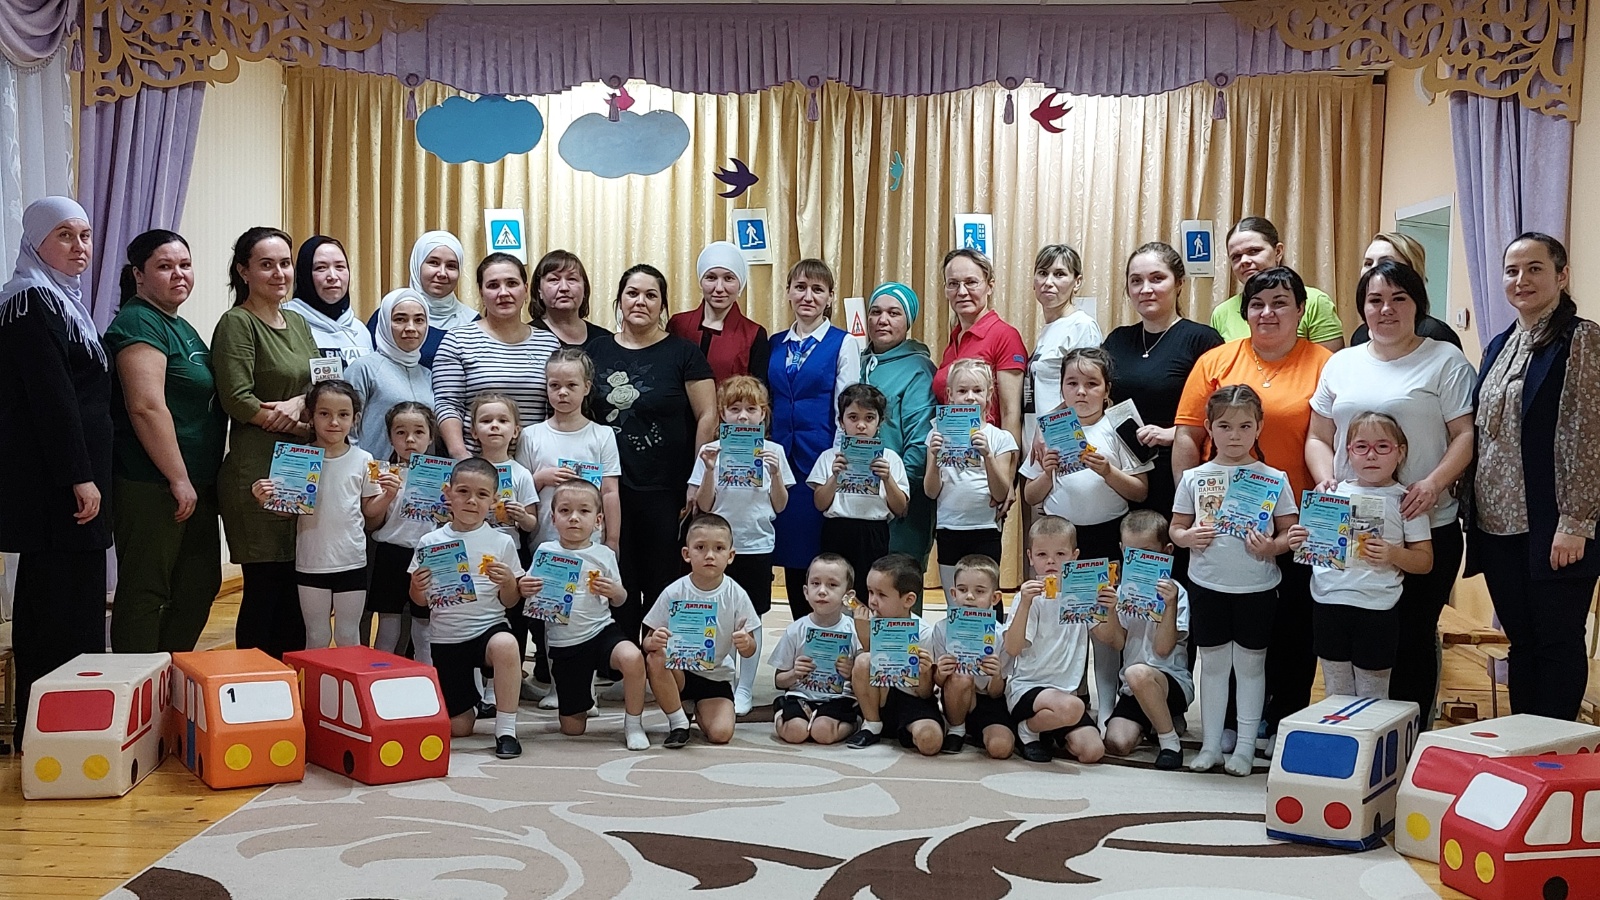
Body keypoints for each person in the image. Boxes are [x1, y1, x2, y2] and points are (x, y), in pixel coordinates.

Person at [1306, 260, 1474, 721]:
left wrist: (1433, 483)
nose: (1386, 309)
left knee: (1411, 639)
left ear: (1418, 304)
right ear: (1362, 308)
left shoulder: (1445, 360)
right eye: (1375, 300)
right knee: (1345, 641)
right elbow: (1318, 436)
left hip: (1423, 522)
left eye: (1399, 298)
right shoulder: (1342, 363)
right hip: (1346, 531)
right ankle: (1351, 735)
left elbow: (1465, 434)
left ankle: (1406, 742)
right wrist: (1325, 480)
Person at [1173, 266, 1332, 738]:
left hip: (1299, 521)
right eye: (1257, 304)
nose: (1268, 313)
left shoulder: (1326, 364)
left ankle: (1283, 721)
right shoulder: (1216, 361)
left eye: (1280, 303)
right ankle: (1227, 725)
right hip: (1223, 527)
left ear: (1300, 310)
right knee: (1225, 629)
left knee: (1294, 629)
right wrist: (1190, 505)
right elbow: (1188, 437)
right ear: (1244, 312)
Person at [1464, 232, 1600, 721]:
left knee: (1557, 643)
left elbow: (1589, 434)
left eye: (1535, 268)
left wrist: (1576, 521)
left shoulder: (1581, 339)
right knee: (1520, 642)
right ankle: (1523, 744)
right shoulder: (1501, 343)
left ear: (1562, 276)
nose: (1521, 279)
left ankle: (1554, 749)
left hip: (1555, 525)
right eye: (1512, 271)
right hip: (1498, 526)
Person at [0, 197, 111, 750]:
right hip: (57, 488)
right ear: (36, 242)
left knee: (75, 605)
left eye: (85, 235)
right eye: (65, 235)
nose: (79, 247)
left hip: (75, 480)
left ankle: (75, 723)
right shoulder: (29, 301)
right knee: (55, 611)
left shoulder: (64, 301)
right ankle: (48, 729)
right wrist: (78, 475)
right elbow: (52, 399)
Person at [104, 228, 226, 653]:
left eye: (185, 265)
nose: (179, 274)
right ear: (139, 274)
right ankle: (138, 683)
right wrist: (178, 478)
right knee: (147, 590)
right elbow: (145, 406)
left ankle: (171, 672)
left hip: (195, 482)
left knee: (198, 584)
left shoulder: (180, 325)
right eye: (165, 266)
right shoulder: (138, 321)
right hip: (152, 483)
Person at [1170, 385, 1298, 775]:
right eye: (1225, 426)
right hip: (1207, 584)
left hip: (1256, 587)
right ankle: (1211, 745)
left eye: (1245, 426)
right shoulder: (1194, 478)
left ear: (1259, 428)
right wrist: (1188, 538)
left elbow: (1290, 533)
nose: (1235, 436)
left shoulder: (1274, 478)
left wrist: (1271, 547)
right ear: (1209, 428)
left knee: (1250, 666)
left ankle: (1243, 747)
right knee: (1212, 665)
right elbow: (1176, 528)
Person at [587, 264, 717, 641]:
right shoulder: (596, 351)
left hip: (666, 488)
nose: (640, 301)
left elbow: (707, 416)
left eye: (650, 295)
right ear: (619, 300)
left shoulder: (683, 353)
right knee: (618, 575)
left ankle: (660, 658)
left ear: (662, 305)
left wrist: (697, 479)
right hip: (609, 486)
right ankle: (623, 658)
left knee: (663, 578)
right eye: (632, 293)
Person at [213, 227, 318, 658]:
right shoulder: (237, 323)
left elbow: (322, 384)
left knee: (296, 590)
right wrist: (301, 426)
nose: (279, 273)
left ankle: (290, 685)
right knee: (264, 589)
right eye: (266, 264)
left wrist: (300, 404)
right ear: (244, 271)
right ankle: (254, 684)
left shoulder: (298, 321)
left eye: (285, 263)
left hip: (302, 470)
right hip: (257, 471)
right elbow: (238, 400)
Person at [1291, 413, 1434, 700]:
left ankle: (1369, 733)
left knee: (1373, 694)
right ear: (1348, 452)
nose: (1371, 455)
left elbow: (1424, 561)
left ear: (1400, 452)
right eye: (1361, 447)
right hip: (1329, 603)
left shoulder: (1406, 500)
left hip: (1376, 608)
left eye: (1382, 446)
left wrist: (1393, 553)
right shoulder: (1331, 494)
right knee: (1336, 691)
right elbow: (1309, 543)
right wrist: (1297, 539)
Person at [408, 457, 534, 758]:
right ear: (448, 493)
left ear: (494, 500)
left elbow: (510, 601)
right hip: (447, 638)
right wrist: (417, 586)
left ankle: (506, 729)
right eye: (463, 491)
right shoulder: (429, 541)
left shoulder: (502, 542)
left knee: (506, 645)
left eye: (482, 494)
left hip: (488, 629)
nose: (472, 501)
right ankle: (474, 700)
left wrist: (509, 583)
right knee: (460, 728)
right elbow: (419, 602)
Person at [688, 375, 796, 714]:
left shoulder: (774, 451)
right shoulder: (711, 451)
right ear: (722, 413)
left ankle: (745, 687)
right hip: (716, 547)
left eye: (752, 409)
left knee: (752, 617)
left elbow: (780, 505)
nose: (743, 416)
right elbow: (704, 505)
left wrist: (775, 475)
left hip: (756, 544)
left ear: (764, 414)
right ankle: (720, 679)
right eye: (735, 409)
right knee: (716, 613)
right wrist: (708, 470)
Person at [252, 380, 387, 649]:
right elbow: (287, 512)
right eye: (324, 413)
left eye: (343, 414)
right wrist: (265, 499)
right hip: (311, 561)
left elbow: (369, 511)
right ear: (311, 417)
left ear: (355, 418)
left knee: (348, 636)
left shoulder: (364, 459)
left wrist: (389, 496)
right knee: (316, 636)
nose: (334, 422)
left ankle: (347, 680)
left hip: (351, 561)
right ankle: (316, 680)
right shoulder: (298, 459)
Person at [1100, 242, 1224, 514]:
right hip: (1122, 473)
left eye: (1157, 278)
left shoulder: (1203, 340)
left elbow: (1224, 414)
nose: (1145, 289)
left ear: (1179, 283)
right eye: (1136, 281)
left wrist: (1174, 434)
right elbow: (1088, 394)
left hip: (1177, 470)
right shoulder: (1117, 340)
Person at [528, 478, 651, 749]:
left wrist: (614, 590)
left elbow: (621, 599)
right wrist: (525, 587)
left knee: (632, 658)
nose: (574, 518)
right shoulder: (545, 552)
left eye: (583, 511)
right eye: (565, 511)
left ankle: (634, 724)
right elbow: (530, 592)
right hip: (565, 644)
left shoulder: (604, 554)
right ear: (553, 518)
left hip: (601, 631)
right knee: (573, 729)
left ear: (598, 520)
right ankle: (582, 700)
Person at [770, 259, 856, 610]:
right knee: (791, 553)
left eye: (818, 289)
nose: (808, 296)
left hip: (819, 458)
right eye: (800, 287)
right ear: (788, 292)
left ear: (830, 297)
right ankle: (800, 628)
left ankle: (826, 628)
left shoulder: (843, 342)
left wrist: (836, 460)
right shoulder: (775, 343)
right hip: (780, 460)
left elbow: (847, 404)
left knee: (818, 552)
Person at [643, 513, 762, 747]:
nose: (709, 555)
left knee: (720, 734)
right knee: (656, 658)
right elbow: (647, 642)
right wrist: (653, 641)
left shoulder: (737, 595)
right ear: (686, 554)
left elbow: (750, 650)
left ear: (730, 556)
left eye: (719, 548)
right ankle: (679, 722)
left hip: (716, 677)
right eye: (700, 547)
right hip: (679, 673)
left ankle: (694, 707)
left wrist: (746, 644)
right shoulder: (674, 592)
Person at [432, 253, 562, 458]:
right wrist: (461, 456)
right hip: (476, 464)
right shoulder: (457, 340)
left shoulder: (549, 343)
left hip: (535, 463)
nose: (503, 293)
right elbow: (448, 404)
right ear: (481, 293)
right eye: (493, 285)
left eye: (512, 283)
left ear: (526, 289)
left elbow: (556, 406)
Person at [1093, 510, 1192, 770]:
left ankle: (1170, 741)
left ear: (1166, 551)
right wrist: (1110, 610)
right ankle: (1157, 721)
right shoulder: (1123, 592)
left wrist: (1169, 606)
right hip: (1133, 687)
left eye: (1147, 552)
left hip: (1170, 681)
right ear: (1122, 550)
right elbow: (1117, 642)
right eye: (1131, 553)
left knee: (1137, 673)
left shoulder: (1177, 593)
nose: (1139, 560)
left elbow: (1162, 649)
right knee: (1116, 742)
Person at [1005, 516, 1105, 764]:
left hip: (1065, 693)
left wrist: (1108, 608)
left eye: (1060, 554)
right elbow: (1012, 648)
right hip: (1028, 688)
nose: (1051, 561)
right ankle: (1027, 730)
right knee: (1073, 707)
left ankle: (1049, 730)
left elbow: (1112, 639)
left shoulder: (1083, 594)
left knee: (1093, 751)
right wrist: (1024, 604)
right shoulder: (1029, 598)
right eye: (1042, 554)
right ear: (1030, 557)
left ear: (1075, 556)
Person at [860, 281, 937, 597]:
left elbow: (920, 441)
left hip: (902, 504)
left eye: (894, 313)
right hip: (858, 501)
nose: (883, 320)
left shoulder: (918, 368)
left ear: (908, 321)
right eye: (876, 312)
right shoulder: (858, 361)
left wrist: (900, 493)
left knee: (898, 593)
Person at [809, 384, 910, 605]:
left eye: (869, 418)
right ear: (841, 421)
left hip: (873, 532)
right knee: (835, 589)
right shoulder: (829, 457)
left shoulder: (891, 459)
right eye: (853, 417)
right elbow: (820, 503)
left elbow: (901, 508)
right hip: (837, 529)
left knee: (870, 591)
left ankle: (866, 626)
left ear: (880, 422)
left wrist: (887, 479)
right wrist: (834, 476)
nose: (861, 425)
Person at [926, 359, 1018, 597]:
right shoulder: (936, 434)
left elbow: (1000, 493)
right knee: (955, 598)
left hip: (985, 528)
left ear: (989, 394)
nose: (970, 397)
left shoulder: (1000, 438)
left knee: (986, 598)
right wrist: (934, 456)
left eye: (977, 390)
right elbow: (931, 491)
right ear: (950, 395)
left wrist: (988, 455)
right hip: (949, 527)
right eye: (962, 391)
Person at [846, 553, 942, 755]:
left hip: (912, 701)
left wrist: (924, 672)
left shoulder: (923, 633)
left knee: (930, 741)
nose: (872, 601)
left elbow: (925, 693)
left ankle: (906, 730)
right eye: (870, 592)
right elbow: (860, 675)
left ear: (908, 600)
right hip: (878, 700)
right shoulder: (865, 623)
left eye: (881, 595)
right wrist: (864, 635)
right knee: (863, 660)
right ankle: (872, 725)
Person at [934, 248, 1026, 452]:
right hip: (952, 456)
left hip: (988, 458)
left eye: (971, 282)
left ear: (989, 286)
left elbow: (1011, 413)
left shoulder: (1004, 336)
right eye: (953, 284)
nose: (961, 292)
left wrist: (1008, 467)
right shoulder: (954, 338)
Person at [365, 401, 438, 657]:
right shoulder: (380, 473)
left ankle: (425, 675)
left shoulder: (443, 476)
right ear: (390, 437)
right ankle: (381, 672)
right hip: (390, 553)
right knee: (387, 626)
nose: (410, 439)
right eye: (401, 432)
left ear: (430, 437)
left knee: (424, 628)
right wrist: (386, 495)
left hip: (428, 556)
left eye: (419, 432)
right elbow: (371, 520)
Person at [1209, 216, 1344, 352]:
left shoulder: (1315, 302)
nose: (1244, 261)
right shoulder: (1222, 313)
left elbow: (1331, 363)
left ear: (1278, 252)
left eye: (1254, 251)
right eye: (1236, 257)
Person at [770, 553, 863, 745]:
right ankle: (780, 712)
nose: (822, 591)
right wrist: (794, 673)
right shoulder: (795, 630)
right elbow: (779, 681)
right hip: (800, 696)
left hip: (839, 698)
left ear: (848, 596)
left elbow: (865, 680)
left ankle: (855, 722)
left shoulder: (854, 631)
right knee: (795, 733)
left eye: (832, 585)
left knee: (823, 734)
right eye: (815, 583)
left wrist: (851, 673)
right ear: (806, 592)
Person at [928, 554, 1013, 758]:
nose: (969, 597)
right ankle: (957, 729)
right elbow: (937, 683)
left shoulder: (1002, 635)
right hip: (955, 697)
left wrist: (996, 675)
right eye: (963, 590)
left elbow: (996, 693)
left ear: (995, 598)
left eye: (979, 591)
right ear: (953, 593)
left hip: (989, 701)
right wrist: (941, 672)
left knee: (1001, 749)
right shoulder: (941, 629)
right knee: (960, 676)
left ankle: (977, 732)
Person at [1026, 244, 1102, 449]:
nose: (1048, 282)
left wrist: (1046, 426)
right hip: (1039, 441)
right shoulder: (1049, 329)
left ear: (1077, 282)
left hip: (1062, 439)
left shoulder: (1082, 326)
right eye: (1043, 273)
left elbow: (1086, 393)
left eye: (1059, 274)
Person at [345, 289, 433, 458]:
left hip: (417, 474)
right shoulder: (364, 368)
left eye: (419, 320)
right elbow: (347, 428)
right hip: (370, 471)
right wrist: (358, 466)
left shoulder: (427, 375)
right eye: (400, 319)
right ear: (385, 321)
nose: (411, 328)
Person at [668, 242, 770, 384]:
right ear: (700, 281)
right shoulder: (678, 324)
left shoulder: (754, 334)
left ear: (740, 284)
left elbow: (759, 391)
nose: (719, 288)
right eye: (711, 277)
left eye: (728, 278)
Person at [372, 230, 475, 368]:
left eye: (451, 266)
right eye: (434, 263)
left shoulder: (474, 323)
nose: (442, 273)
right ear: (417, 264)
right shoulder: (387, 317)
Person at [1349, 232, 1461, 349]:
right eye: (1368, 263)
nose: (1374, 270)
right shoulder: (1360, 335)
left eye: (1385, 263)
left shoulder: (1436, 334)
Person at [285, 235, 370, 365]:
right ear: (305, 275)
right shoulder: (284, 322)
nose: (333, 276)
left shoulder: (359, 330)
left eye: (340, 267)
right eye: (321, 268)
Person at [528, 249, 610, 348]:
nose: (564, 288)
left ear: (584, 288)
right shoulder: (527, 339)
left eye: (572, 279)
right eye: (554, 279)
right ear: (539, 289)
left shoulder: (605, 340)